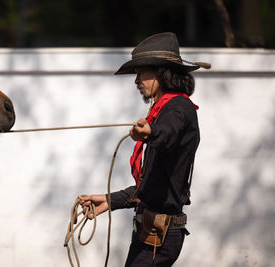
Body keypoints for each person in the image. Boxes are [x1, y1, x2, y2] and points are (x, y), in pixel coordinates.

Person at [78, 32, 209, 267]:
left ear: (162, 72)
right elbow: (150, 187)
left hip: (160, 236)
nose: (137, 80)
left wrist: (150, 133)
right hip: (150, 232)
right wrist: (109, 201)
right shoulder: (163, 109)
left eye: (142, 72)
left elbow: (167, 135)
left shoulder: (178, 108)